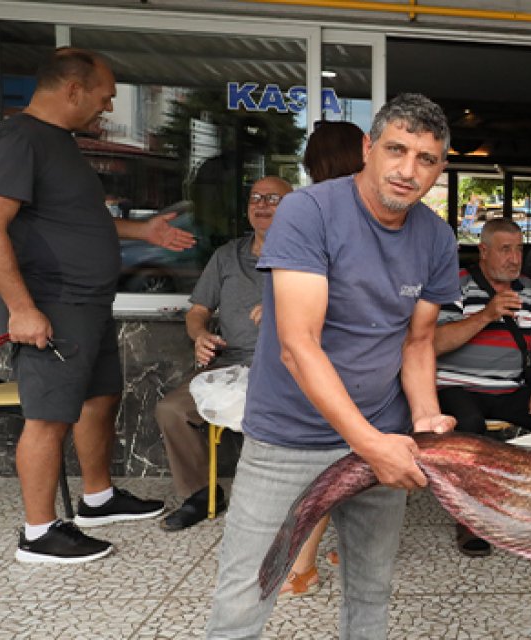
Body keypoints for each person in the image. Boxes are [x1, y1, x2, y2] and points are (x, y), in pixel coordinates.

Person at [205, 93, 459, 639]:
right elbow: (299, 345)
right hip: (286, 438)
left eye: (426, 159)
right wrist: (371, 443)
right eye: (396, 150)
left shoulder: (436, 237)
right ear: (368, 148)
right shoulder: (309, 211)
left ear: (441, 167)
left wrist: (423, 419)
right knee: (245, 597)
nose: (407, 171)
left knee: (370, 591)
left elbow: (417, 342)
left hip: (381, 432)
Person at [0, 47, 196, 564]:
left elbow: (74, 222)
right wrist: (21, 308)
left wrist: (141, 230)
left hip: (88, 303)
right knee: (48, 417)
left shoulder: (59, 143)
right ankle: (38, 534)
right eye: (105, 97)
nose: (106, 108)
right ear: (72, 90)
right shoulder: (20, 139)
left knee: (101, 397)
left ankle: (98, 499)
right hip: (52, 303)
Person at [154, 176, 293, 533]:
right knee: (172, 410)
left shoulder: (306, 256)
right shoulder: (228, 255)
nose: (262, 204)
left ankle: (289, 500)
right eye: (255, 198)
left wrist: (281, 308)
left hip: (289, 366)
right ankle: (202, 495)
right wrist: (200, 335)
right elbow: (197, 311)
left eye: (273, 198)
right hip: (230, 364)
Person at [276, 119, 366, 598]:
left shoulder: (309, 212)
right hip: (348, 364)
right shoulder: (344, 216)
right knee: (341, 466)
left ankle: (308, 561)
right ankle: (313, 558)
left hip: (319, 364)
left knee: (332, 467)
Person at [433, 217, 531, 557]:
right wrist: (486, 314)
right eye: (505, 250)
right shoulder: (455, 284)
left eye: (519, 249)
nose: (514, 258)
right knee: (470, 428)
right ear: (483, 252)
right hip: (456, 386)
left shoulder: (528, 290)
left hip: (507, 389)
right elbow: (435, 343)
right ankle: (471, 519)